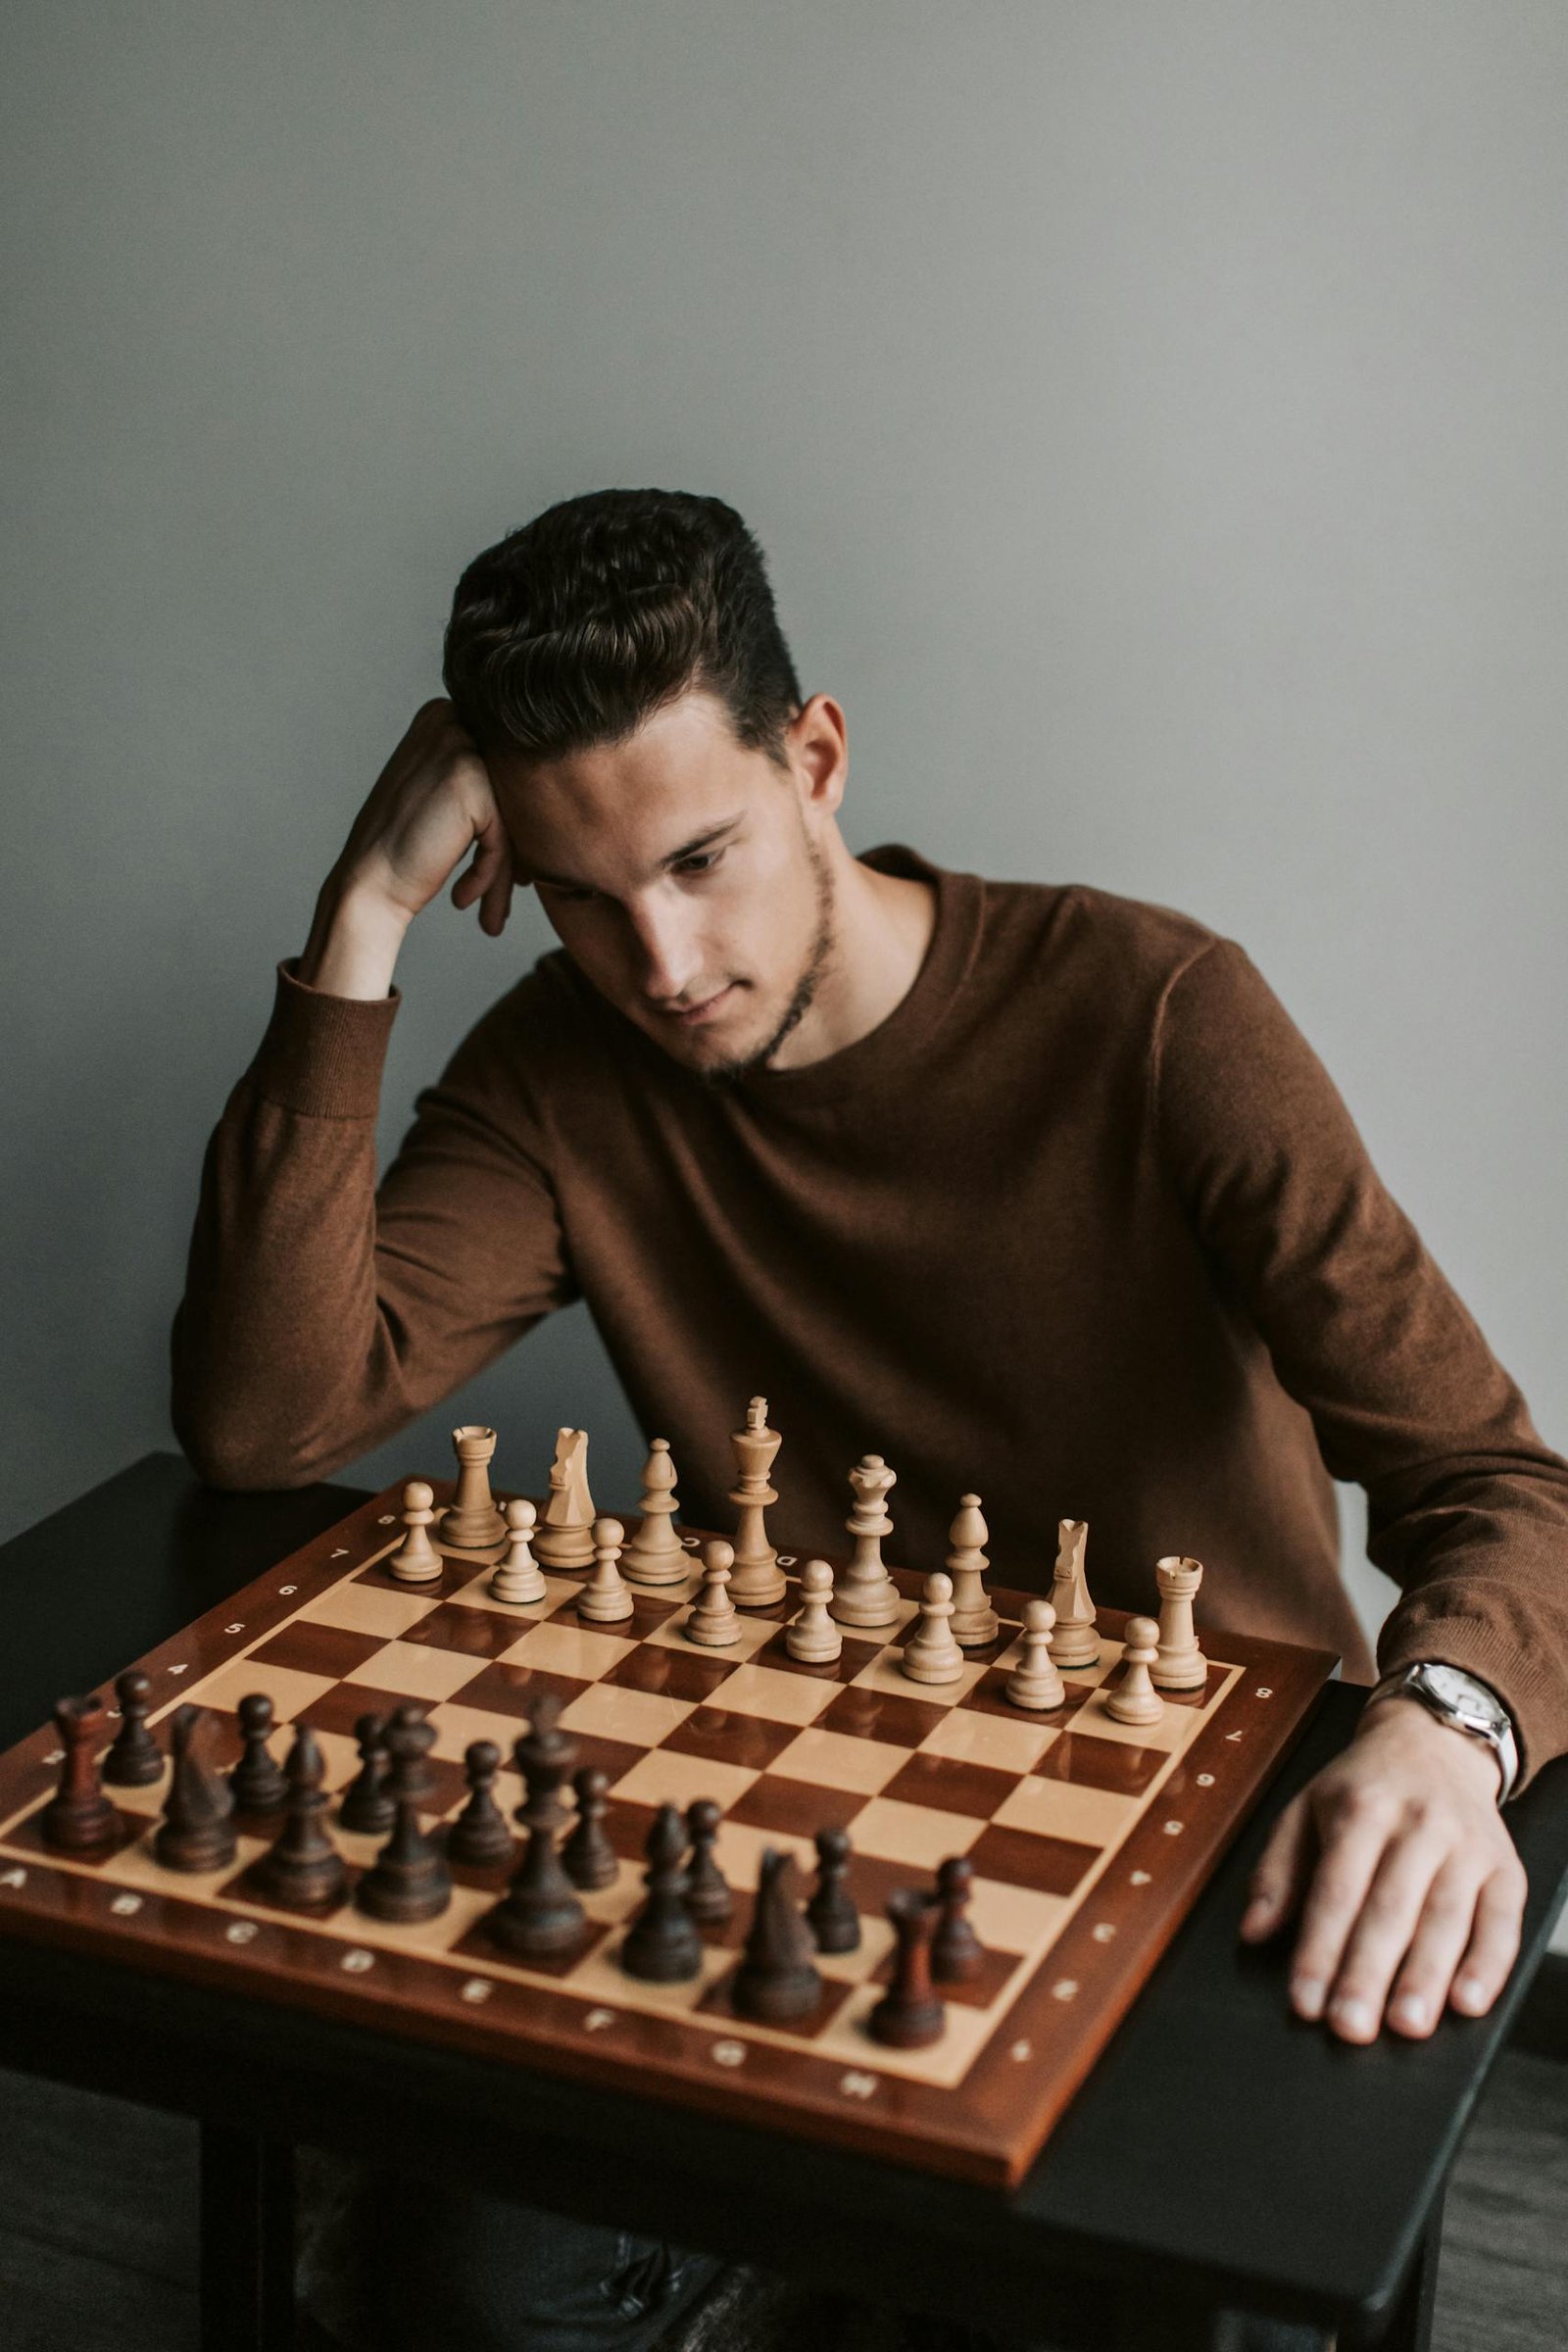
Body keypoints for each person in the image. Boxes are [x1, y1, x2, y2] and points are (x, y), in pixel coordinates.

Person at [172, 488, 1566, 2352]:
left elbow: (1497, 1483)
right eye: (578, 899)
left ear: (816, 755)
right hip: (777, 1845)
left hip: (1174, 1839)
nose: (659, 966)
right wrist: (360, 918)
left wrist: (1451, 1724)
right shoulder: (565, 1074)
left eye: (698, 861)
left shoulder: (1156, 1015)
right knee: (448, 2299)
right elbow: (267, 1420)